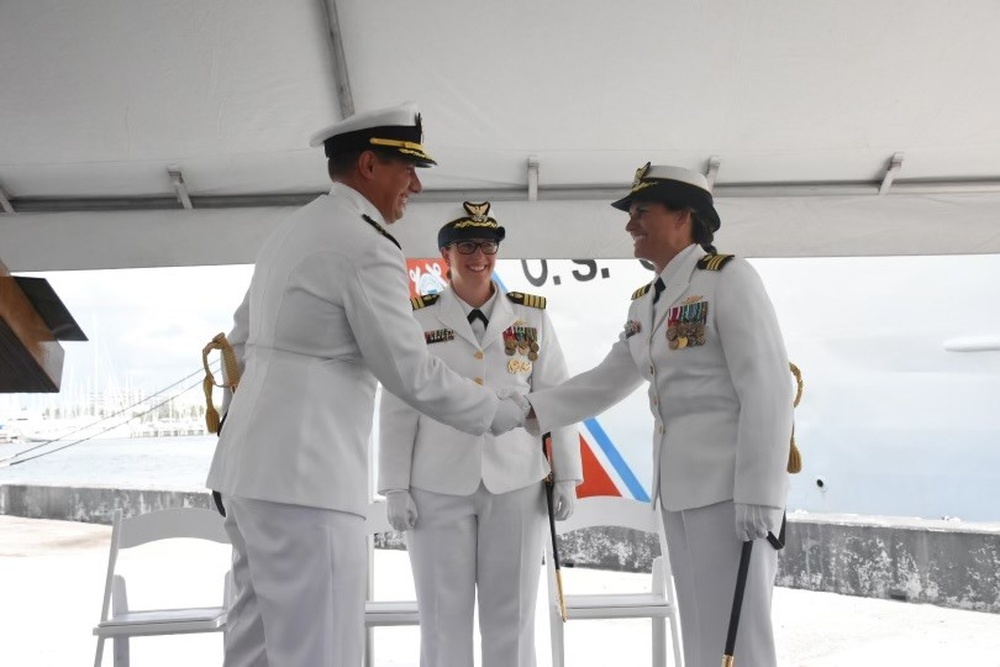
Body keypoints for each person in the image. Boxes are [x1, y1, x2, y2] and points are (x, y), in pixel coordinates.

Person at [205, 103, 529, 667]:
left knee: (253, 647)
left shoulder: (294, 229)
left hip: (248, 475)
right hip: (308, 482)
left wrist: (233, 445)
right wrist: (498, 414)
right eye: (409, 169)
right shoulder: (365, 244)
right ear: (370, 164)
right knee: (320, 650)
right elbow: (410, 373)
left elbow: (238, 346)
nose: (417, 185)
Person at [523, 164, 794, 667]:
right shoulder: (647, 302)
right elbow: (607, 380)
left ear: (684, 216)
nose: (630, 224)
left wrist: (761, 492)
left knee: (742, 636)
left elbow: (770, 387)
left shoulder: (729, 279)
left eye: (641, 212)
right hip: (679, 491)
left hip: (732, 492)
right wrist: (528, 409)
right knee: (697, 629)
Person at [378, 201, 582, 667]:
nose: (479, 256)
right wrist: (394, 485)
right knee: (441, 616)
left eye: (488, 246)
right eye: (466, 246)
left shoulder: (532, 319)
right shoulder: (417, 319)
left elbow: (558, 398)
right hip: (436, 484)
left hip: (517, 482)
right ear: (445, 254)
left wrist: (567, 475)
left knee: (512, 615)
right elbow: (397, 404)